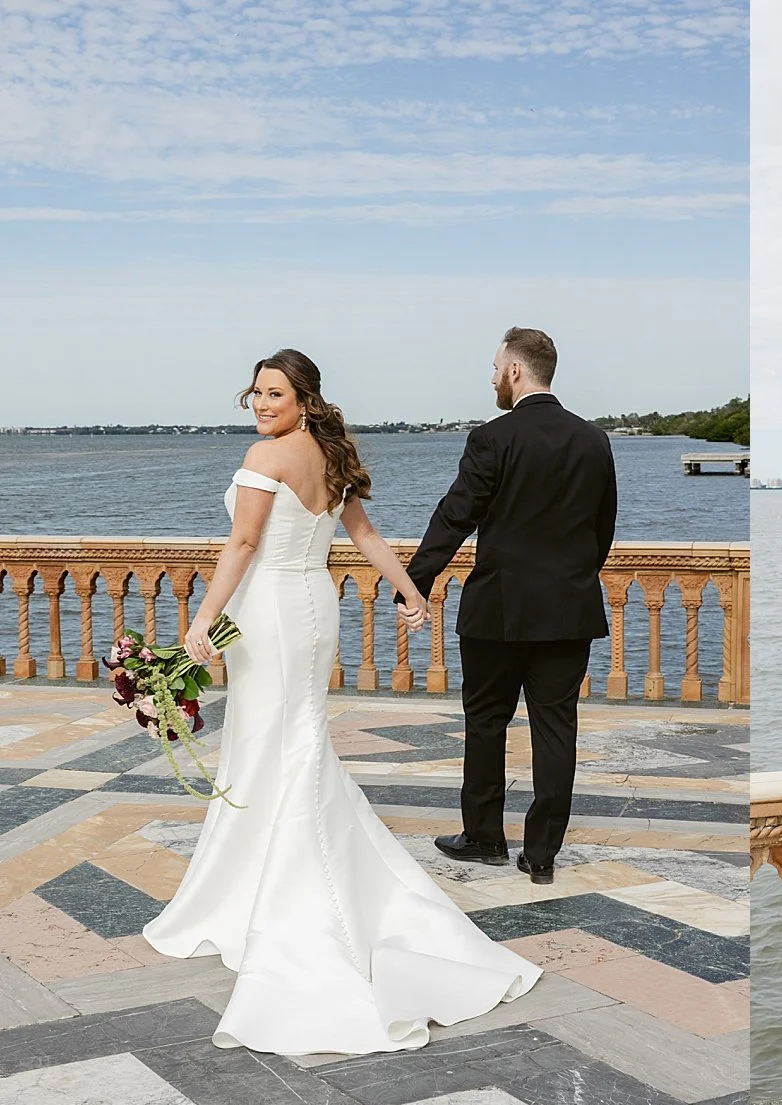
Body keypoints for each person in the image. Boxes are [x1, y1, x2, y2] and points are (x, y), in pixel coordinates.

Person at [144, 349, 541, 1055]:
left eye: (276, 393)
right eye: (257, 393)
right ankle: (257, 884)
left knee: (275, 741)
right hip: (313, 607)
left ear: (304, 397)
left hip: (269, 608)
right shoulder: (329, 455)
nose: (263, 404)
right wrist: (413, 591)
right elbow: (360, 537)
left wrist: (202, 617)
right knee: (286, 739)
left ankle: (283, 900)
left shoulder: (266, 458)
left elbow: (242, 542)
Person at [399, 327, 617, 885]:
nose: (492, 376)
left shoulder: (492, 438)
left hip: (497, 611)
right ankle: (541, 854)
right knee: (555, 729)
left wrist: (414, 583)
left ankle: (485, 838)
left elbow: (455, 515)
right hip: (568, 610)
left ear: (515, 371)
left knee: (487, 723)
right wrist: (570, 581)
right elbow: (602, 531)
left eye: (496, 366)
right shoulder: (594, 441)